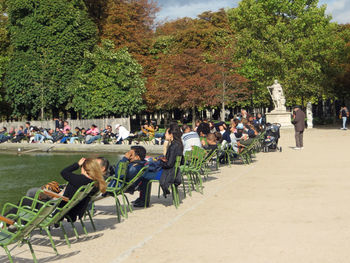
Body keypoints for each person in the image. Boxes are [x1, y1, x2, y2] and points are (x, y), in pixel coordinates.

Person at [136, 126, 183, 207]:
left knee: (144, 176)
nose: (165, 135)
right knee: (147, 170)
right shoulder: (179, 144)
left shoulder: (173, 146)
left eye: (166, 133)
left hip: (168, 173)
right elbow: (177, 161)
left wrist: (160, 161)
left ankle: (143, 201)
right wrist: (163, 159)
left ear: (171, 134)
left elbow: (169, 164)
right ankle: (142, 199)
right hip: (173, 171)